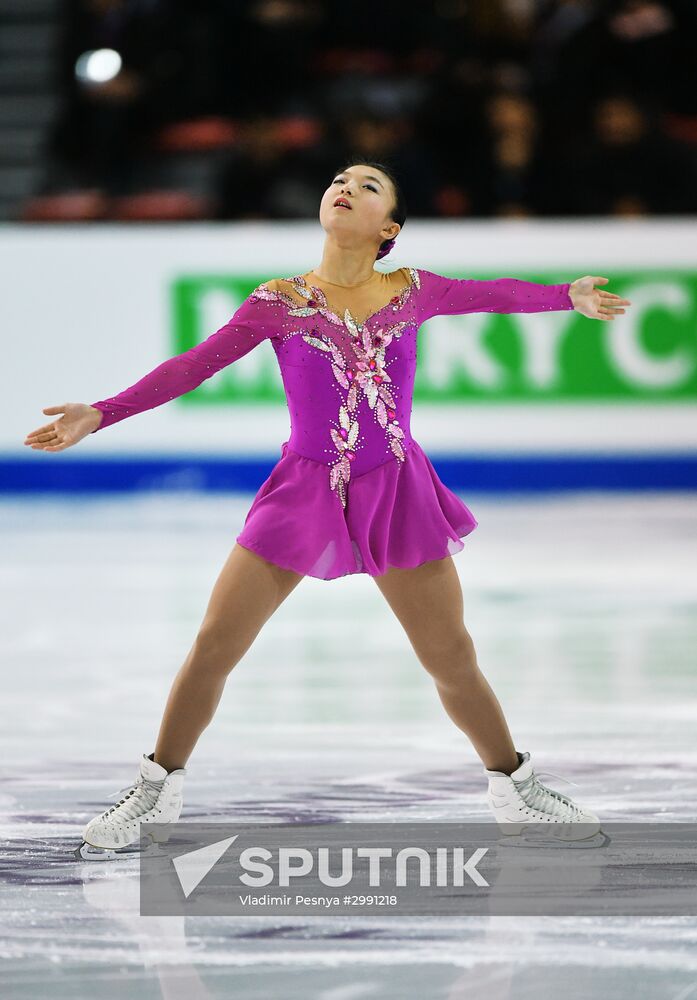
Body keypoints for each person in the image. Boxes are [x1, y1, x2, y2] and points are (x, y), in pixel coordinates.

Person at [24, 159, 632, 857]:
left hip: (395, 487)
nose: (345, 187)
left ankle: (516, 790)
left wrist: (566, 296)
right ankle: (154, 792)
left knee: (450, 656)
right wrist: (101, 413)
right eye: (339, 179)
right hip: (304, 486)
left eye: (368, 186)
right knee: (216, 643)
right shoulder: (278, 301)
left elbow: (495, 293)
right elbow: (193, 365)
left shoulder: (414, 291)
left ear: (388, 228)